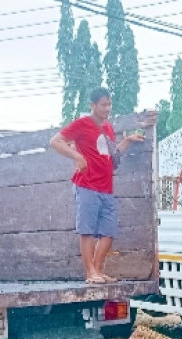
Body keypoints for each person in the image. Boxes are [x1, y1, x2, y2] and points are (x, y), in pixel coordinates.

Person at [50, 87, 150, 285]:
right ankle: (90, 273)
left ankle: (97, 270)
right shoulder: (82, 124)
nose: (107, 108)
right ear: (93, 105)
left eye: (109, 104)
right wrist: (77, 156)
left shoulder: (108, 128)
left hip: (106, 188)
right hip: (86, 185)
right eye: (103, 105)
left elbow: (112, 155)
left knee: (108, 232)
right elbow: (55, 141)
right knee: (87, 231)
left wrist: (128, 140)